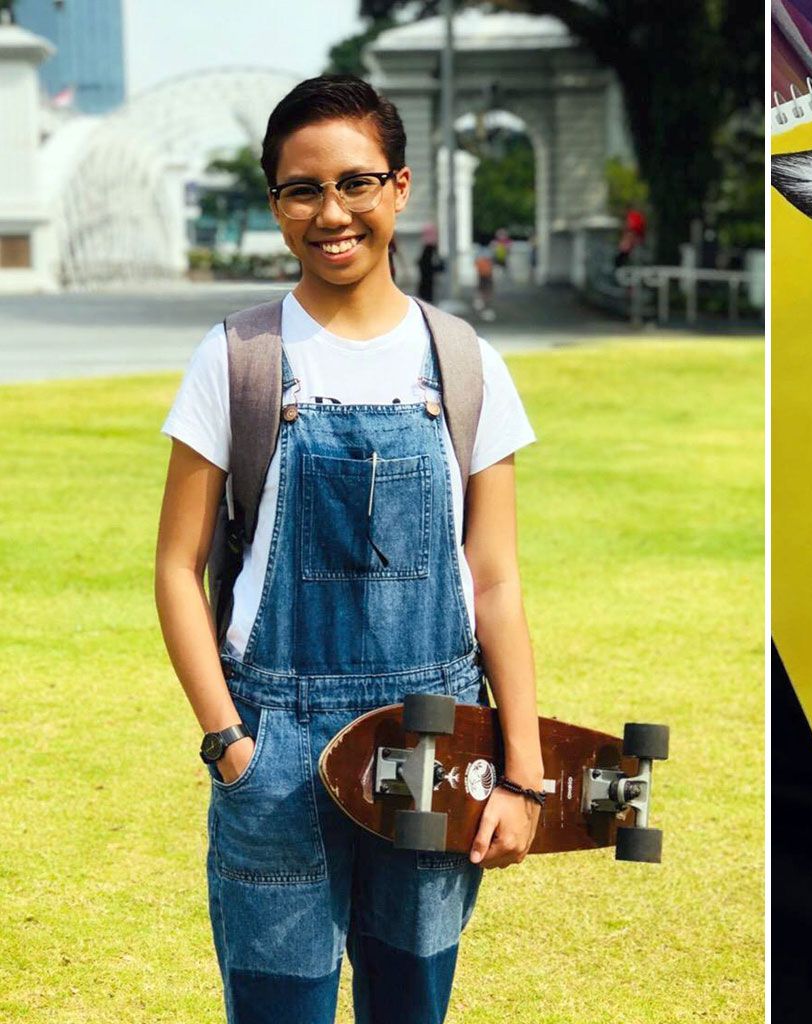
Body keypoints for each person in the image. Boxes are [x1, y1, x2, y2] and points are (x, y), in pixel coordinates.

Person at [153, 74, 541, 1024]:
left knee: (410, 1005)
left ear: (400, 188)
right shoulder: (236, 357)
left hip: (435, 740)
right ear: (276, 202)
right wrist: (229, 742)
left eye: (356, 183)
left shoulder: (466, 363)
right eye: (302, 189)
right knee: (280, 1007)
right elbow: (177, 565)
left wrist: (525, 775)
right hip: (274, 746)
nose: (333, 213)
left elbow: (494, 582)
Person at [416, 222, 445, 303]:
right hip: (427, 284)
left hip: (425, 283)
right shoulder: (430, 250)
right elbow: (428, 265)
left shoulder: (426, 250)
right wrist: (440, 267)